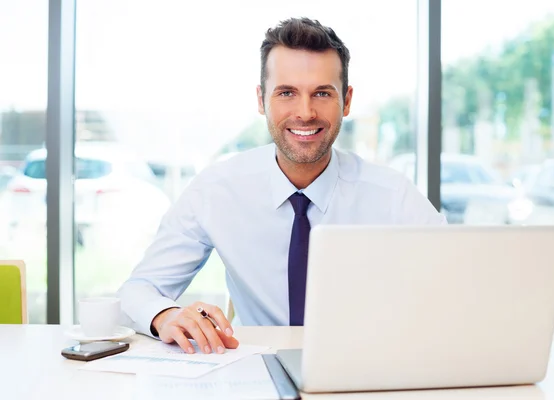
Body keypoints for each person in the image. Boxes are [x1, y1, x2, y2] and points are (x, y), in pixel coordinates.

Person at [117, 17, 446, 355]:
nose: (305, 113)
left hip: (367, 364)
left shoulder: (393, 195)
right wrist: (166, 314)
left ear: (346, 101)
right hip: (256, 369)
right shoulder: (216, 190)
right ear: (261, 100)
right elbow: (139, 289)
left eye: (322, 93)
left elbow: (457, 284)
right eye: (286, 93)